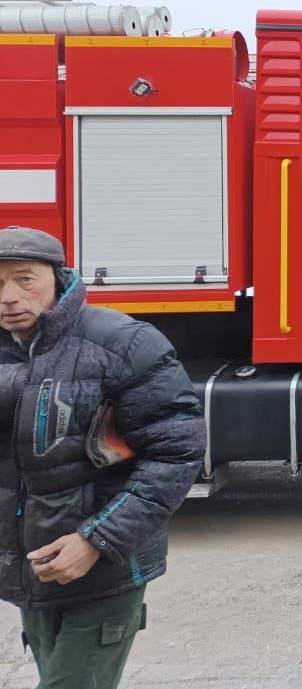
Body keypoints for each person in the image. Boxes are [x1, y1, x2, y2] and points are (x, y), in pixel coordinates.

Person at [0, 226, 205, 689]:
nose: (9, 297)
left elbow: (178, 452)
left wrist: (95, 540)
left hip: (105, 570)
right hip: (32, 574)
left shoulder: (122, 344)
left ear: (57, 278)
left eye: (24, 279)